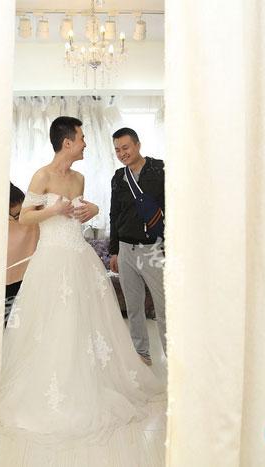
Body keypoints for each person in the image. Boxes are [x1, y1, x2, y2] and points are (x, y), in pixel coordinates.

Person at [0, 117, 165, 466]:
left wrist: (92, 210)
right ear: (67, 142)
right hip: (52, 260)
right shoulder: (42, 176)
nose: (86, 143)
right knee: (54, 324)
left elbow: (78, 213)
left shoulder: (79, 178)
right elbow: (24, 217)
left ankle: (92, 382)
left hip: (80, 257)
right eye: (82, 137)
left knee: (86, 324)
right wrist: (53, 209)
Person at [109, 127, 166, 366]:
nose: (122, 153)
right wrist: (114, 250)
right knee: (133, 308)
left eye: (126, 147)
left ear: (138, 145)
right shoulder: (118, 177)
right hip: (125, 249)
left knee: (164, 307)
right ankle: (141, 355)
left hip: (153, 249)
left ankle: (174, 357)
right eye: (117, 150)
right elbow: (114, 214)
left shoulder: (160, 170)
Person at [5, 182, 39, 327]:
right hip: (6, 277)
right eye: (15, 216)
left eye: (21, 213)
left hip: (28, 275)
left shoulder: (31, 217)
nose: (20, 219)